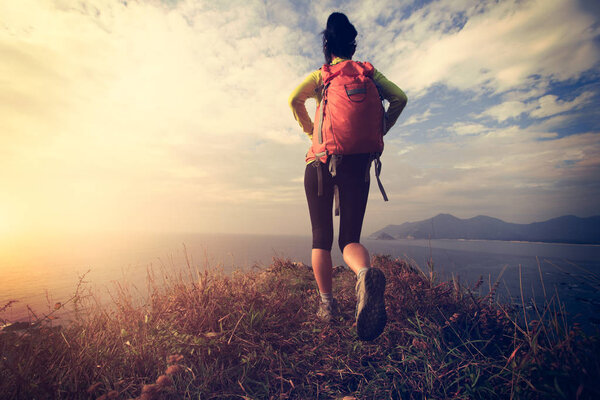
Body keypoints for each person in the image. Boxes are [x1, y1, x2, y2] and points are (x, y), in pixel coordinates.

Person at [288, 12, 407, 341]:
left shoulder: (320, 77)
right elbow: (400, 98)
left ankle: (327, 306)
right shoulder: (370, 74)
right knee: (349, 239)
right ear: (352, 44)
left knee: (320, 237)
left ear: (327, 45)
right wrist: (382, 126)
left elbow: (292, 100)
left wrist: (310, 130)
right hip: (358, 164)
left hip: (320, 162)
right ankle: (364, 273)